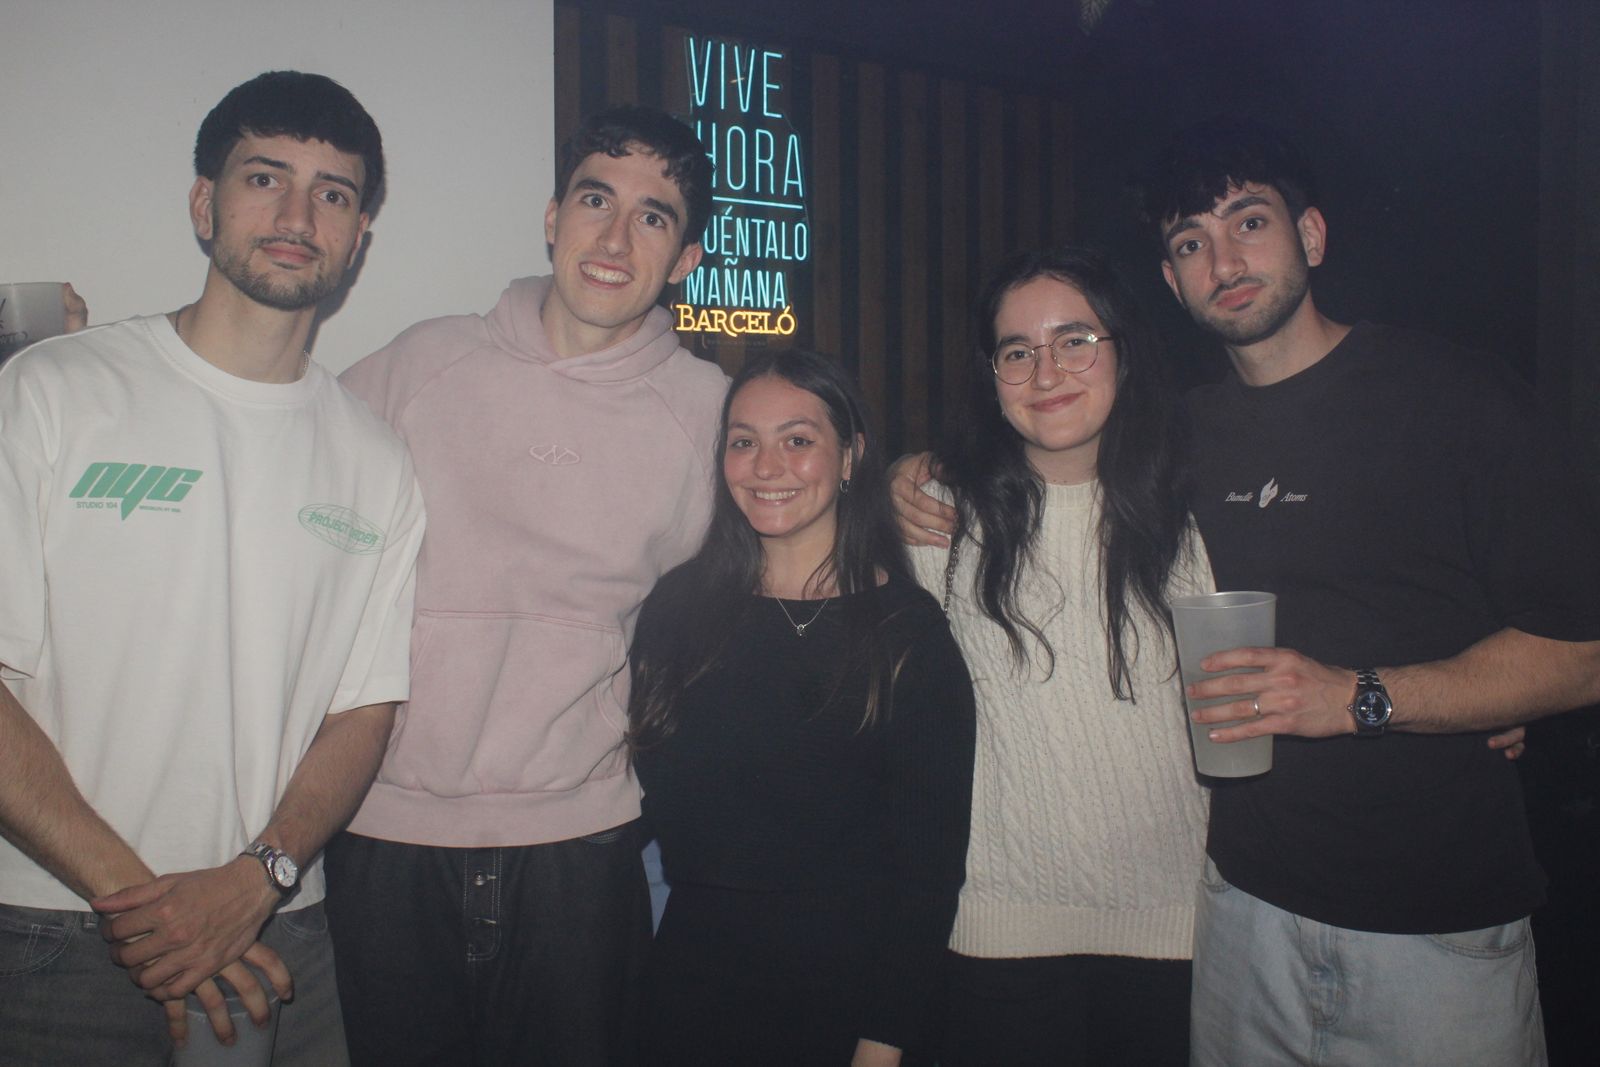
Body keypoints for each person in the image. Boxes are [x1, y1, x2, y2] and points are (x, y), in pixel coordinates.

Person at [0, 70, 423, 1066]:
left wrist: (255, 877)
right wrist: (154, 906)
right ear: (205, 202)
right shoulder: (55, 390)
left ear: (359, 235)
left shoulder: (378, 457)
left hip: (283, 928)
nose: (295, 213)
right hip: (59, 924)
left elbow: (364, 710)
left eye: (333, 192)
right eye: (264, 176)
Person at [325, 105, 726, 1065]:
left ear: (686, 260)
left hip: (581, 845)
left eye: (653, 215)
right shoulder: (423, 363)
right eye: (596, 198)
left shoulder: (707, 412)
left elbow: (813, 517)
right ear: (553, 217)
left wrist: (911, 483)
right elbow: (278, 477)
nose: (615, 235)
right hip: (384, 829)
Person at [903, 246, 1212, 1065]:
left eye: (1075, 339)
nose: (1047, 371)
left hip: (1180, 924)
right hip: (999, 929)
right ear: (992, 378)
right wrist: (881, 480)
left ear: (1123, 351)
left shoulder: (1197, 512)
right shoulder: (937, 519)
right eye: (1017, 351)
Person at [628, 349, 976, 1067]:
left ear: (850, 457)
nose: (766, 465)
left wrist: (882, 1045)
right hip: (688, 995)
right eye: (743, 441)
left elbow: (927, 873)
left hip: (844, 1005)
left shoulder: (907, 632)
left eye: (798, 439)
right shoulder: (674, 611)